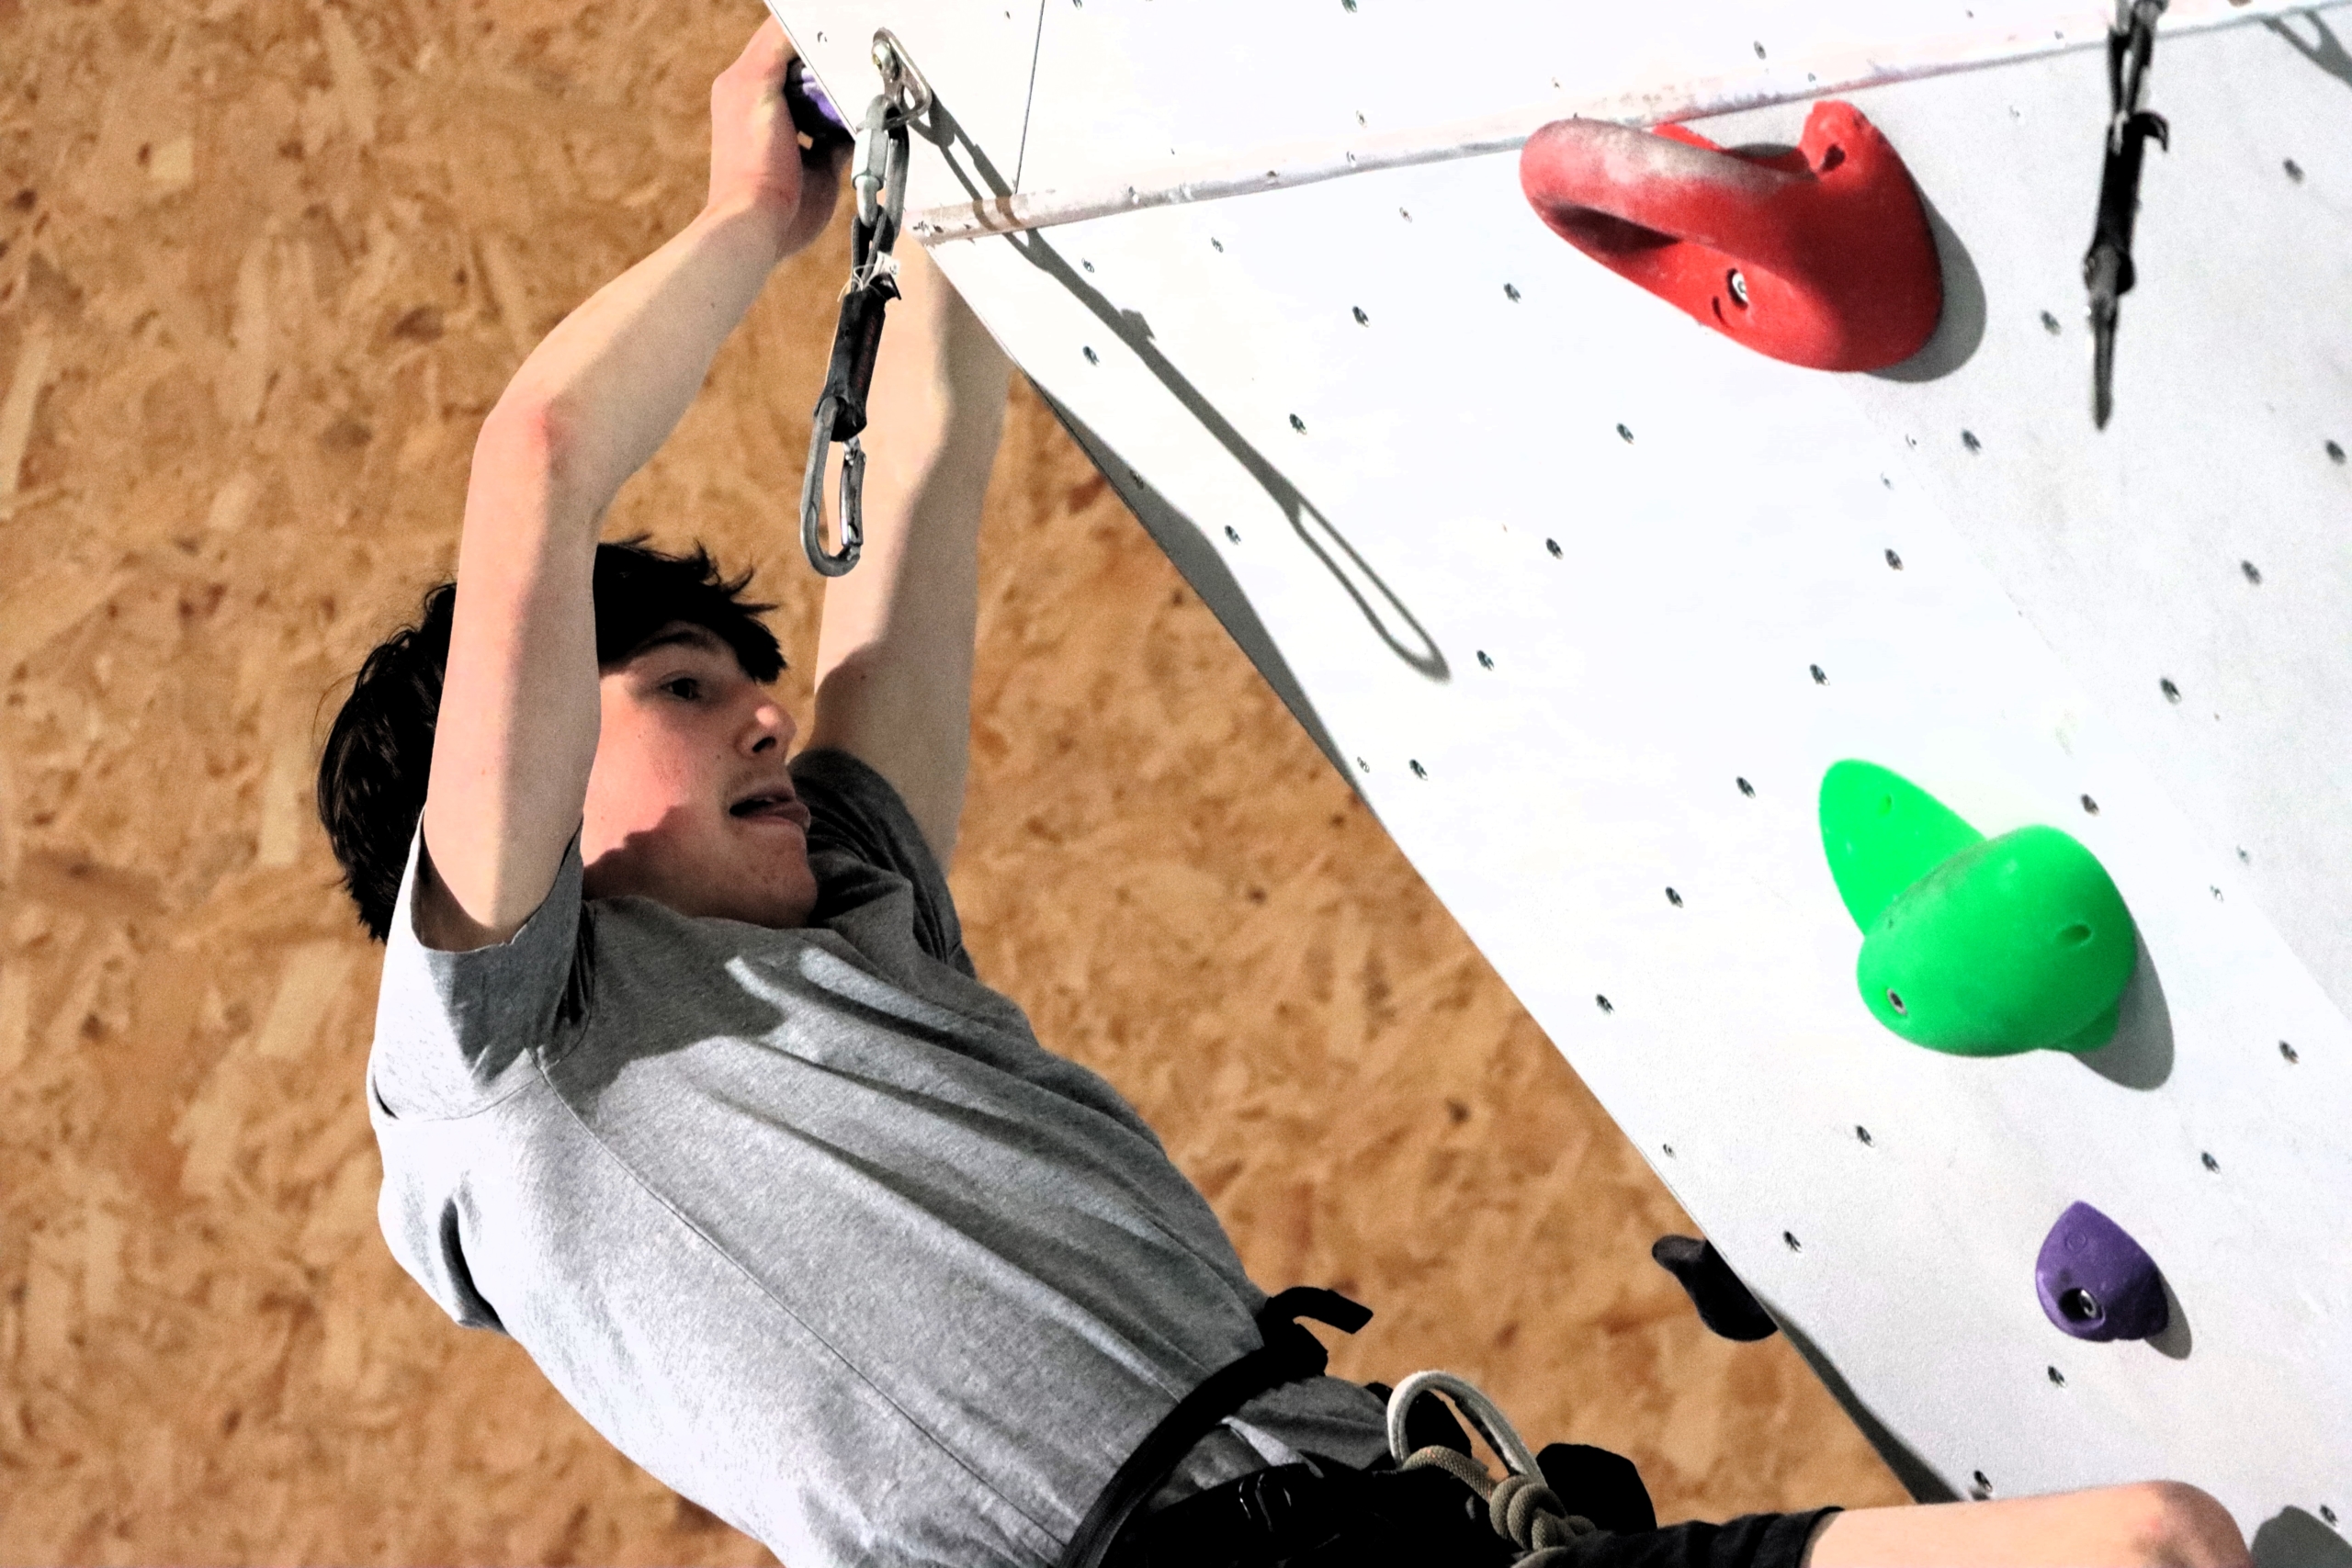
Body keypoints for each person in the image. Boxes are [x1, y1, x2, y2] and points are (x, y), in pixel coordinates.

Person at [315, 19, 2252, 1568]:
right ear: (518, 784)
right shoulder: (508, 1060)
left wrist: (941, 80)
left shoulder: (860, 904)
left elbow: (918, 469)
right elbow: (537, 460)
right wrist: (749, 217)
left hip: (1411, 1517)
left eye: (748, 684)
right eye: (679, 688)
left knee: (2153, 1544)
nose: (764, 719)